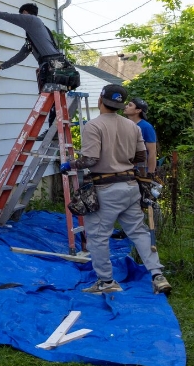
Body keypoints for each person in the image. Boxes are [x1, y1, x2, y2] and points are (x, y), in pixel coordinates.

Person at [59, 84, 171, 296]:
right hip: (130, 186)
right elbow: (140, 158)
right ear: (119, 105)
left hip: (105, 187)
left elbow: (90, 159)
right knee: (138, 232)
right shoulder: (133, 127)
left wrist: (69, 165)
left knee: (98, 236)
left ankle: (106, 281)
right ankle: (157, 275)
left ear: (100, 100)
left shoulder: (93, 126)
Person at [0, 3, 68, 128]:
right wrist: (1, 67)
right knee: (51, 100)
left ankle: (55, 130)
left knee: (51, 99)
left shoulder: (33, 20)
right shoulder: (33, 36)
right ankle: (55, 130)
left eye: (22, 15)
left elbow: (12, 17)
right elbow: (21, 55)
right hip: (52, 64)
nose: (21, 18)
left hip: (52, 64)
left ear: (25, 13)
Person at [123, 97, 157, 177]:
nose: (126, 106)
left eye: (130, 105)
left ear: (138, 110)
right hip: (125, 170)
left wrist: (150, 173)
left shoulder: (146, 127)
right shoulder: (124, 125)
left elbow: (152, 152)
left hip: (141, 171)